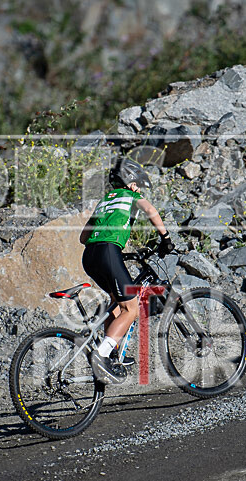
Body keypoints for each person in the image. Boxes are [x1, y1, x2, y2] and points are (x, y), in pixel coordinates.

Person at [80, 157, 174, 384]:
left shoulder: (105, 200)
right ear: (131, 180)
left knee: (115, 302)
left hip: (89, 257)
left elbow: (83, 237)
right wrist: (166, 238)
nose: (139, 188)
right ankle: (101, 355)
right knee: (131, 308)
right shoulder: (131, 195)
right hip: (108, 253)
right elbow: (150, 210)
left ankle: (111, 354)